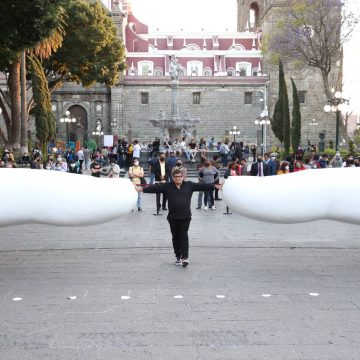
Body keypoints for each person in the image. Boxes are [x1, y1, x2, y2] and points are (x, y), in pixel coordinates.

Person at [137, 168, 223, 267]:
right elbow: (156, 187)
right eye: (176, 177)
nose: (178, 178)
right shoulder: (168, 186)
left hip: (185, 216)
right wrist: (142, 189)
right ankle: (178, 256)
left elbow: (202, 186)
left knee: (184, 236)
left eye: (180, 176)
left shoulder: (189, 185)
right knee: (175, 237)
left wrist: (215, 186)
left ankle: (185, 257)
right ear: (173, 178)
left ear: (183, 177)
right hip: (172, 217)